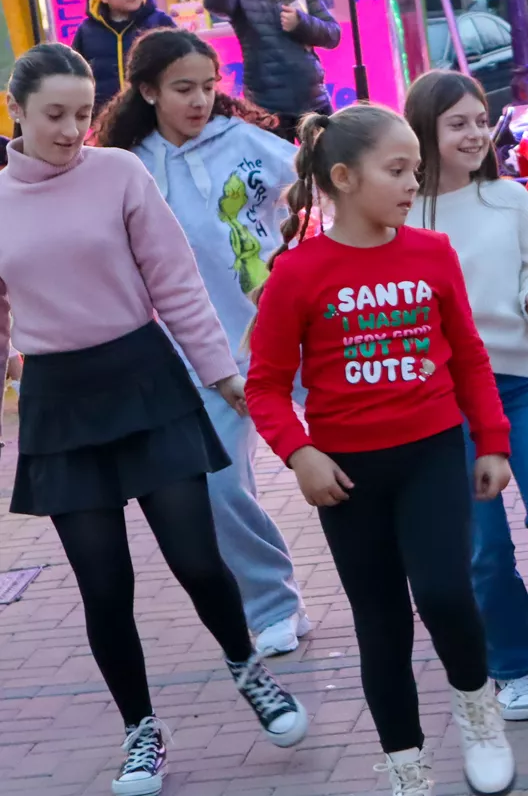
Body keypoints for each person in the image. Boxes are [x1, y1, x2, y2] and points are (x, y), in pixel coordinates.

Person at [0, 44, 307, 796]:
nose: (74, 130)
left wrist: (222, 375)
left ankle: (247, 667)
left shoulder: (119, 174)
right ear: (16, 114)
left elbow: (175, 283)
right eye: (55, 117)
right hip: (59, 401)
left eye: (81, 113)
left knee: (198, 559)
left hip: (146, 380)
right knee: (103, 585)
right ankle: (142, 733)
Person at [245, 103, 518, 796]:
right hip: (346, 474)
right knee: (381, 622)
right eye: (396, 170)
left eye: (415, 171)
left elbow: (469, 357)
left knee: (444, 594)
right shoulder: (298, 273)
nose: (410, 184)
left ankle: (479, 714)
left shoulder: (432, 254)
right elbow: (267, 387)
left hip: (430, 452)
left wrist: (491, 439)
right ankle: (405, 762)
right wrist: (299, 454)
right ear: (342, 176)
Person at [93, 28, 311, 658]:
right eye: (183, 88)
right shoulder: (127, 166)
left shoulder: (248, 143)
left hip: (292, 331)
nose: (199, 100)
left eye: (209, 86)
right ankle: (272, 602)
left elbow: (323, 181)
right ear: (147, 90)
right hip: (201, 354)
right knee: (216, 488)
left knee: (359, 449)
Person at [407, 69, 528, 722]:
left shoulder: (509, 199)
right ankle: (513, 665)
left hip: (517, 384)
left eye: (476, 121)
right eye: (454, 123)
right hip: (443, 399)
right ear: (423, 130)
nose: (471, 134)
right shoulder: (402, 209)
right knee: (483, 548)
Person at [205, 0, 341, 140]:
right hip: (266, 107)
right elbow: (213, 2)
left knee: (328, 168)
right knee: (279, 173)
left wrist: (302, 24)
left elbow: (333, 35)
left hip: (313, 101)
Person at [72, 0, 175, 118]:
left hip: (155, 120)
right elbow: (76, 81)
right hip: (104, 124)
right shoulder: (86, 32)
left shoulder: (161, 23)